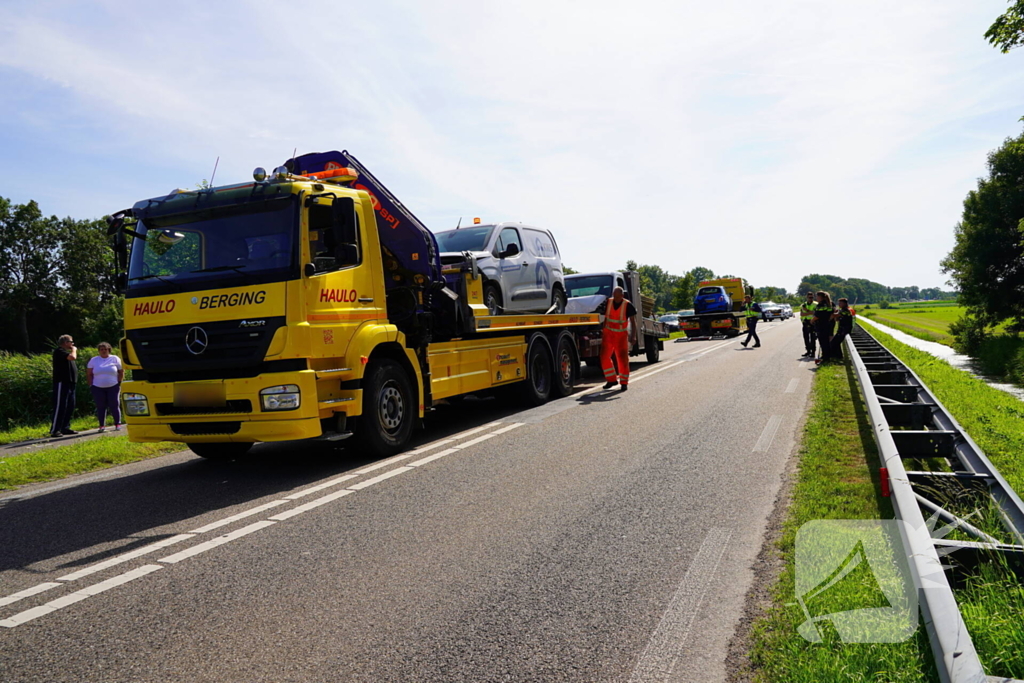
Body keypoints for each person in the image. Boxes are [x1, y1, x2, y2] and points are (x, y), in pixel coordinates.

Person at [596, 286, 635, 391]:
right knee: (604, 357)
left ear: (622, 296)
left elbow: (633, 321)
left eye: (618, 296)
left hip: (621, 335)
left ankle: (624, 382)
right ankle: (611, 379)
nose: (616, 298)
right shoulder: (608, 302)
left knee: (622, 359)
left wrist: (633, 335)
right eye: (614, 296)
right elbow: (604, 316)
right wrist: (603, 329)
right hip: (608, 334)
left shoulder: (627, 305)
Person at [87, 342, 124, 432]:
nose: (103, 351)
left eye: (105, 349)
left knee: (114, 404)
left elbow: (121, 371)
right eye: (101, 349)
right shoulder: (94, 360)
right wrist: (91, 385)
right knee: (100, 406)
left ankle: (117, 424)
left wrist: (119, 382)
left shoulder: (115, 358)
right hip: (97, 387)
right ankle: (102, 426)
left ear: (109, 350)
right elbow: (89, 373)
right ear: (99, 351)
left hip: (113, 386)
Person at [50, 334, 78, 438]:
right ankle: (55, 429)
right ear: (65, 343)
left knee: (70, 406)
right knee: (60, 406)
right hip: (62, 382)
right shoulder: (59, 351)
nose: (72, 344)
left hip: (70, 382)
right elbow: (72, 357)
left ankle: (64, 427)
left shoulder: (65, 352)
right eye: (71, 342)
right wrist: (74, 350)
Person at [812, 291, 835, 364]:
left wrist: (812, 321)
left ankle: (825, 358)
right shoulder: (829, 304)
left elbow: (817, 316)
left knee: (823, 342)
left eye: (817, 296)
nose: (816, 298)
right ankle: (826, 356)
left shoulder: (821, 305)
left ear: (821, 297)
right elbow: (832, 314)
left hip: (821, 325)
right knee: (826, 342)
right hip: (827, 325)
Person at [799, 292, 816, 358]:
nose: (810, 298)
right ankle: (808, 351)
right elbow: (802, 314)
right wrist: (810, 312)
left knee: (812, 338)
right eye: (809, 297)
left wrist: (807, 311)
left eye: (812, 297)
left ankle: (813, 352)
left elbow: (815, 313)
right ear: (807, 297)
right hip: (805, 322)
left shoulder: (815, 304)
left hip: (813, 322)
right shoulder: (803, 305)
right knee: (806, 337)